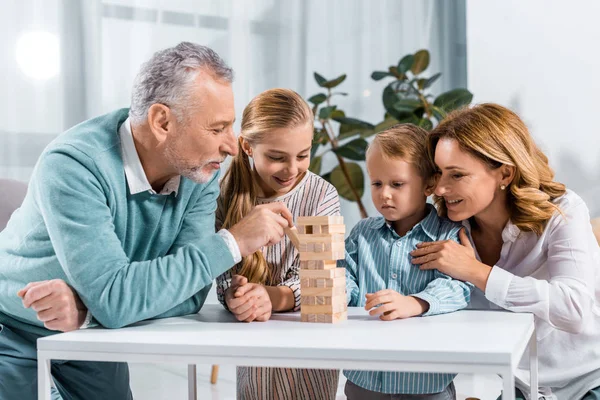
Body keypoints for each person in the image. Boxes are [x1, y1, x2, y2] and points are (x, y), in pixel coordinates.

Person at [0, 42, 293, 400]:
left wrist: (91, 310)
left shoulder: (201, 171)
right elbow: (118, 299)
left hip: (92, 331)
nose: (231, 147)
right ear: (161, 122)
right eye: (217, 129)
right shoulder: (73, 164)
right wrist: (231, 243)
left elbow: (190, 294)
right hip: (12, 329)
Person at [411, 103, 600, 400]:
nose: (440, 189)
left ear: (505, 174)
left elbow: (574, 310)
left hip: (587, 382)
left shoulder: (562, 211)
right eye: (438, 173)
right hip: (521, 388)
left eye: (457, 175)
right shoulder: (444, 231)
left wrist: (477, 272)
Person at [216, 88, 341, 400]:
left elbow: (323, 285)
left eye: (303, 155)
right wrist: (236, 294)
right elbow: (220, 277)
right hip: (254, 354)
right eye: (276, 157)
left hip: (310, 355)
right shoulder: (224, 195)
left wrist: (271, 297)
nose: (292, 170)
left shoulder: (321, 195)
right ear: (246, 145)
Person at [341, 125, 472, 400]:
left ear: (428, 185)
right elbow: (345, 276)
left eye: (397, 184)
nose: (384, 194)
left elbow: (458, 286)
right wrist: (336, 291)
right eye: (377, 183)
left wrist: (415, 302)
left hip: (424, 384)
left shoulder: (448, 234)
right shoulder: (362, 233)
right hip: (364, 379)